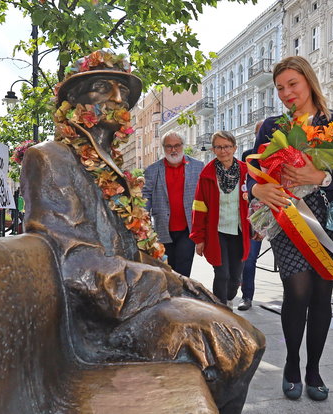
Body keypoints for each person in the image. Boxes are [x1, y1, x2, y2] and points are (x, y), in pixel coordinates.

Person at [20, 51, 264, 414]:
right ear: (73, 102)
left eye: (124, 92)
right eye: (103, 88)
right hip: (97, 314)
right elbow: (75, 262)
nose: (118, 100)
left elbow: (132, 245)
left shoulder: (115, 164)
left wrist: (174, 276)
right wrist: (168, 284)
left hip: (129, 292)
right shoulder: (49, 157)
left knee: (247, 336)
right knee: (226, 341)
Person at [247, 56, 333, 402]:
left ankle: (314, 370)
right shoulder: (271, 126)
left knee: (323, 295)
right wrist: (256, 189)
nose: (286, 92)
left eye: (292, 84)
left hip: (331, 218)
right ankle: (292, 364)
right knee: (296, 292)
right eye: (280, 88)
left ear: (308, 81)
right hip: (289, 217)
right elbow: (254, 164)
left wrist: (320, 176)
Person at [190, 131, 251, 306]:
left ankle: (229, 297)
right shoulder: (207, 174)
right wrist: (198, 239)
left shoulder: (246, 171)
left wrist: (258, 226)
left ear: (234, 148)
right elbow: (199, 207)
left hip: (239, 230)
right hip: (217, 232)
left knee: (235, 277)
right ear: (213, 149)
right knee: (221, 273)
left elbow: (256, 202)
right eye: (218, 147)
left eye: (227, 146)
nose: (223, 151)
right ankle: (220, 308)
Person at [142, 132, 204, 276]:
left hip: (188, 228)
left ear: (183, 145)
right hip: (163, 228)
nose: (173, 150)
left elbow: (205, 196)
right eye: (169, 146)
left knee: (183, 267)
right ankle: (170, 297)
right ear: (163, 148)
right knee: (167, 268)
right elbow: (146, 196)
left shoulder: (197, 166)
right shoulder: (152, 170)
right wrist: (144, 222)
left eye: (177, 145)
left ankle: (181, 295)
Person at [236, 123, 267, 311]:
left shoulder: (281, 155)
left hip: (271, 213)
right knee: (245, 257)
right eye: (259, 133)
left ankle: (247, 296)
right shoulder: (248, 156)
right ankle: (243, 293)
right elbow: (244, 183)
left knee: (251, 258)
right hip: (248, 213)